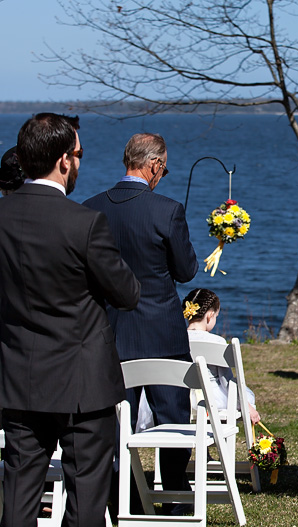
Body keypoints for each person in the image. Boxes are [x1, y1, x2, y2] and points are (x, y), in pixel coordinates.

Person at [0, 113, 140, 526]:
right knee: (85, 501)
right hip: (83, 384)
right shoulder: (84, 223)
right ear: (64, 160)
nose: (79, 162)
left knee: (19, 498)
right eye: (78, 154)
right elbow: (127, 294)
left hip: (19, 377)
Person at [83, 133, 198, 513]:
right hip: (162, 331)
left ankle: (122, 495)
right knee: (174, 419)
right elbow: (185, 271)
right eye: (163, 170)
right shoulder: (167, 210)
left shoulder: (90, 209)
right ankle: (177, 497)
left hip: (109, 331)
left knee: (116, 421)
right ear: (155, 166)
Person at [182, 288, 260, 425]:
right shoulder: (217, 342)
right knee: (244, 394)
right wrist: (246, 405)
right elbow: (226, 381)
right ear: (210, 315)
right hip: (210, 400)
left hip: (181, 398)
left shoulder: (176, 339)